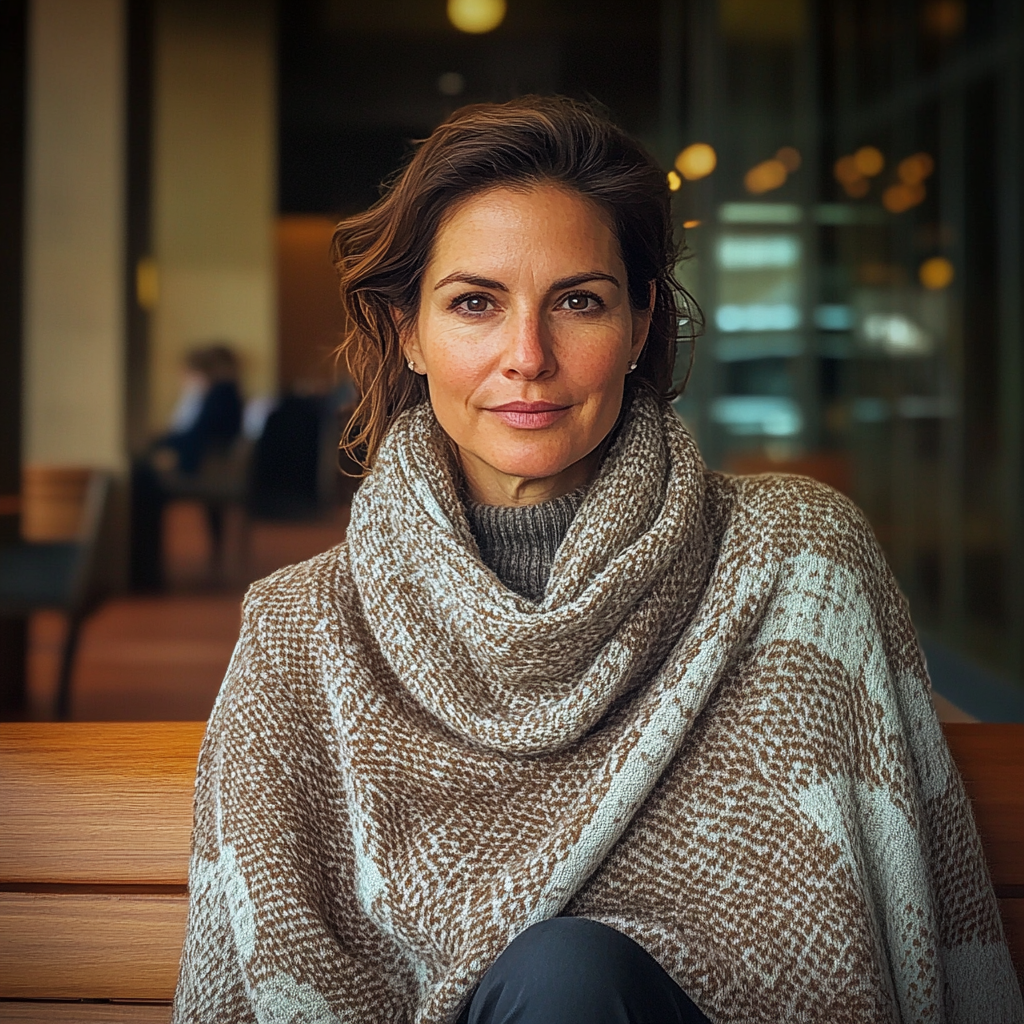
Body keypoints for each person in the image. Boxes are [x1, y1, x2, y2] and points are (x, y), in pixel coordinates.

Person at [172, 98, 1022, 1023]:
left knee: (569, 978)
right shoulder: (304, 631)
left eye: (578, 301)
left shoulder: (793, 562)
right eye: (474, 303)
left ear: (641, 321)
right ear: (410, 331)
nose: (528, 357)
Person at [130, 343, 243, 590]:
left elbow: (196, 436)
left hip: (206, 470)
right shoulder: (226, 393)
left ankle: (145, 570)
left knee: (143, 481)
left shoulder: (219, 394)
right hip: (210, 465)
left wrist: (156, 440)